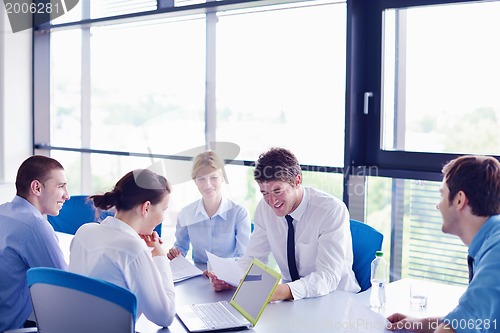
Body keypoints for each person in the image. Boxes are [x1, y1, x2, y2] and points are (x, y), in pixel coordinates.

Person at [209, 147, 360, 301]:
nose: (272, 201)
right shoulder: (264, 208)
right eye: (265, 193)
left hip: (336, 298)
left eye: (277, 191)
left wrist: (282, 291)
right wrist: (232, 280)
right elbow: (254, 258)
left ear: (297, 181)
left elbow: (328, 277)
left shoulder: (330, 211)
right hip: (292, 300)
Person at [387, 155, 500, 333]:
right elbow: (477, 320)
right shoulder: (490, 241)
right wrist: (420, 324)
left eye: (442, 195)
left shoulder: (497, 249)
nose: (438, 206)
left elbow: (464, 320)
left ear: (459, 200)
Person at [69, 169, 175, 327]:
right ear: (146, 207)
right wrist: (160, 257)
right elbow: (164, 317)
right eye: (163, 210)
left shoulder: (84, 231)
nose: (163, 217)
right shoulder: (133, 249)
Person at [0, 155, 70, 332]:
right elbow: (66, 291)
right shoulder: (35, 226)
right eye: (61, 186)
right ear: (36, 187)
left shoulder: (3, 211)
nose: (67, 196)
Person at [167, 150, 251, 264]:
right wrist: (176, 254)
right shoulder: (185, 213)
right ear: (195, 181)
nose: (207, 185)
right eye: (201, 179)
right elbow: (181, 247)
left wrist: (217, 269)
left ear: (222, 178)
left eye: (214, 177)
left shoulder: (239, 213)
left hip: (227, 276)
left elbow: (243, 257)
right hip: (197, 275)